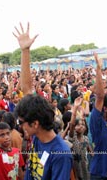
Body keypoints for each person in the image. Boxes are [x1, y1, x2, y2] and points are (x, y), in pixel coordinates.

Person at [13, 22, 72, 179]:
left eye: (21, 122)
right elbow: (26, 89)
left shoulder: (60, 154)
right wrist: (25, 51)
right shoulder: (38, 137)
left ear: (35, 123)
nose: (20, 127)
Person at [89, 53, 107, 180]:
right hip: (100, 174)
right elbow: (100, 96)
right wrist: (98, 70)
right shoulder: (97, 122)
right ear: (104, 109)